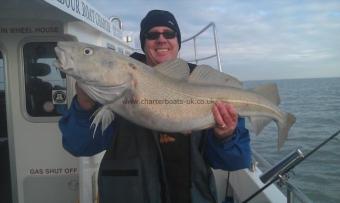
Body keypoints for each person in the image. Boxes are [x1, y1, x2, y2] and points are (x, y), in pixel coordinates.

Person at [59, 9, 251, 203]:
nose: (161, 39)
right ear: (143, 43)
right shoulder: (110, 90)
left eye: (169, 34)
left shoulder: (206, 89)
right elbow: (80, 146)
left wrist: (225, 136)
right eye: (152, 35)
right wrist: (84, 104)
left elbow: (234, 161)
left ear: (178, 42)